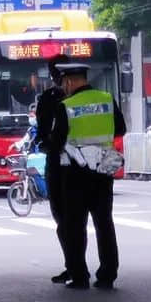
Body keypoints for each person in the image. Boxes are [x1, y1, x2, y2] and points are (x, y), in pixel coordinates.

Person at [49, 63, 127, 290]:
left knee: (75, 226)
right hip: (103, 172)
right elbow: (120, 129)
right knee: (104, 223)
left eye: (64, 83)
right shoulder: (106, 99)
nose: (64, 87)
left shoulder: (67, 106)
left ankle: (80, 276)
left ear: (69, 81)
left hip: (74, 174)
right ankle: (108, 274)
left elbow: (57, 143)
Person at [33, 54, 70, 284]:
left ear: (55, 74)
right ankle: (107, 272)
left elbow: (43, 130)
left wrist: (45, 144)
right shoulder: (97, 97)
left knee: (65, 219)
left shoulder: (50, 98)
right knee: (101, 222)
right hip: (96, 168)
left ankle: (75, 267)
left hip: (58, 164)